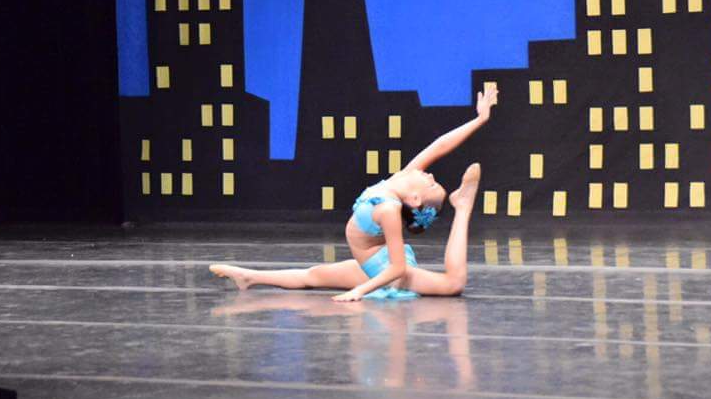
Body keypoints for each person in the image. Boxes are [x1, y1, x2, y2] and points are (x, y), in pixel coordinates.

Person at [210, 84, 498, 301]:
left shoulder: (388, 209)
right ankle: (249, 277)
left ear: (414, 199)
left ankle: (462, 207)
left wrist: (360, 290)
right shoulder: (399, 180)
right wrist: (479, 120)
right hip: (371, 261)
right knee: (314, 275)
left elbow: (398, 268)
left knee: (453, 284)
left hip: (385, 271)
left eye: (432, 184)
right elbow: (439, 146)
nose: (431, 174)